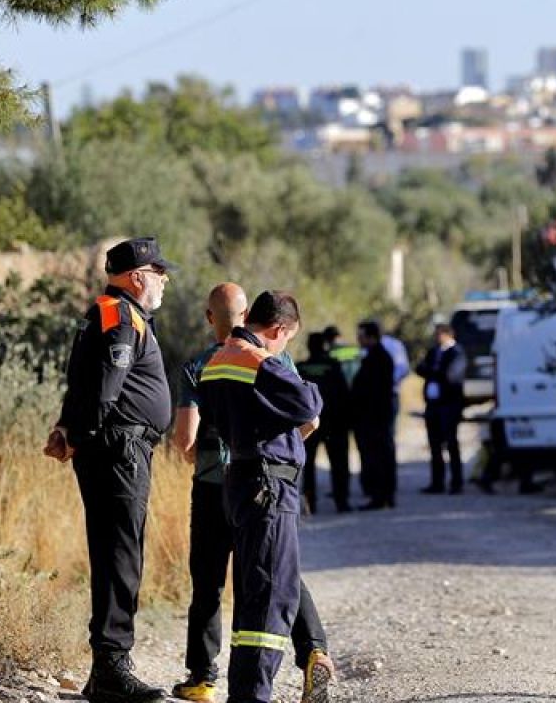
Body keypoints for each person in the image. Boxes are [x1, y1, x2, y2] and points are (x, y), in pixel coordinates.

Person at [170, 284, 335, 703]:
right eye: (288, 337)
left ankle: (205, 677)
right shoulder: (263, 360)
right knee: (272, 587)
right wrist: (284, 438)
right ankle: (294, 663)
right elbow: (308, 408)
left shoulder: (208, 363)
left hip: (225, 480)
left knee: (223, 584)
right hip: (267, 482)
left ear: (212, 317)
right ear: (275, 327)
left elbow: (186, 437)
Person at [42, 236, 174, 703]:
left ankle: (105, 670)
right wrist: (79, 432)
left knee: (115, 552)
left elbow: (84, 381)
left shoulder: (112, 313)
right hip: (120, 451)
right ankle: (114, 666)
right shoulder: (120, 316)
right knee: (121, 556)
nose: (164, 282)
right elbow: (104, 388)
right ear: (138, 277)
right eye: (159, 274)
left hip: (116, 448)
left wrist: (68, 426)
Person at [297, 332, 353, 513]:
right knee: (339, 465)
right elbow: (344, 395)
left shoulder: (301, 368)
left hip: (309, 423)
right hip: (334, 423)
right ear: (324, 346)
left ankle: (310, 504)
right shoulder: (333, 366)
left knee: (309, 465)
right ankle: (341, 502)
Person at [416, 323, 468, 494]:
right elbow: (420, 368)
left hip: (449, 405)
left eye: (439, 334)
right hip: (433, 405)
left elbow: (451, 376)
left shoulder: (457, 353)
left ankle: (456, 482)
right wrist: (434, 371)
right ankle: (437, 482)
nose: (437, 338)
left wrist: (433, 371)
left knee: (451, 444)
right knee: (435, 445)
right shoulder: (434, 352)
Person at [351, 320, 397, 510]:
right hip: (375, 416)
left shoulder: (378, 358)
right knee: (380, 455)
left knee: (378, 457)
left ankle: (381, 496)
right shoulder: (374, 356)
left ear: (371, 337)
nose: (359, 340)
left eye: (361, 336)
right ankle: (384, 495)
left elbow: (372, 391)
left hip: (375, 417)